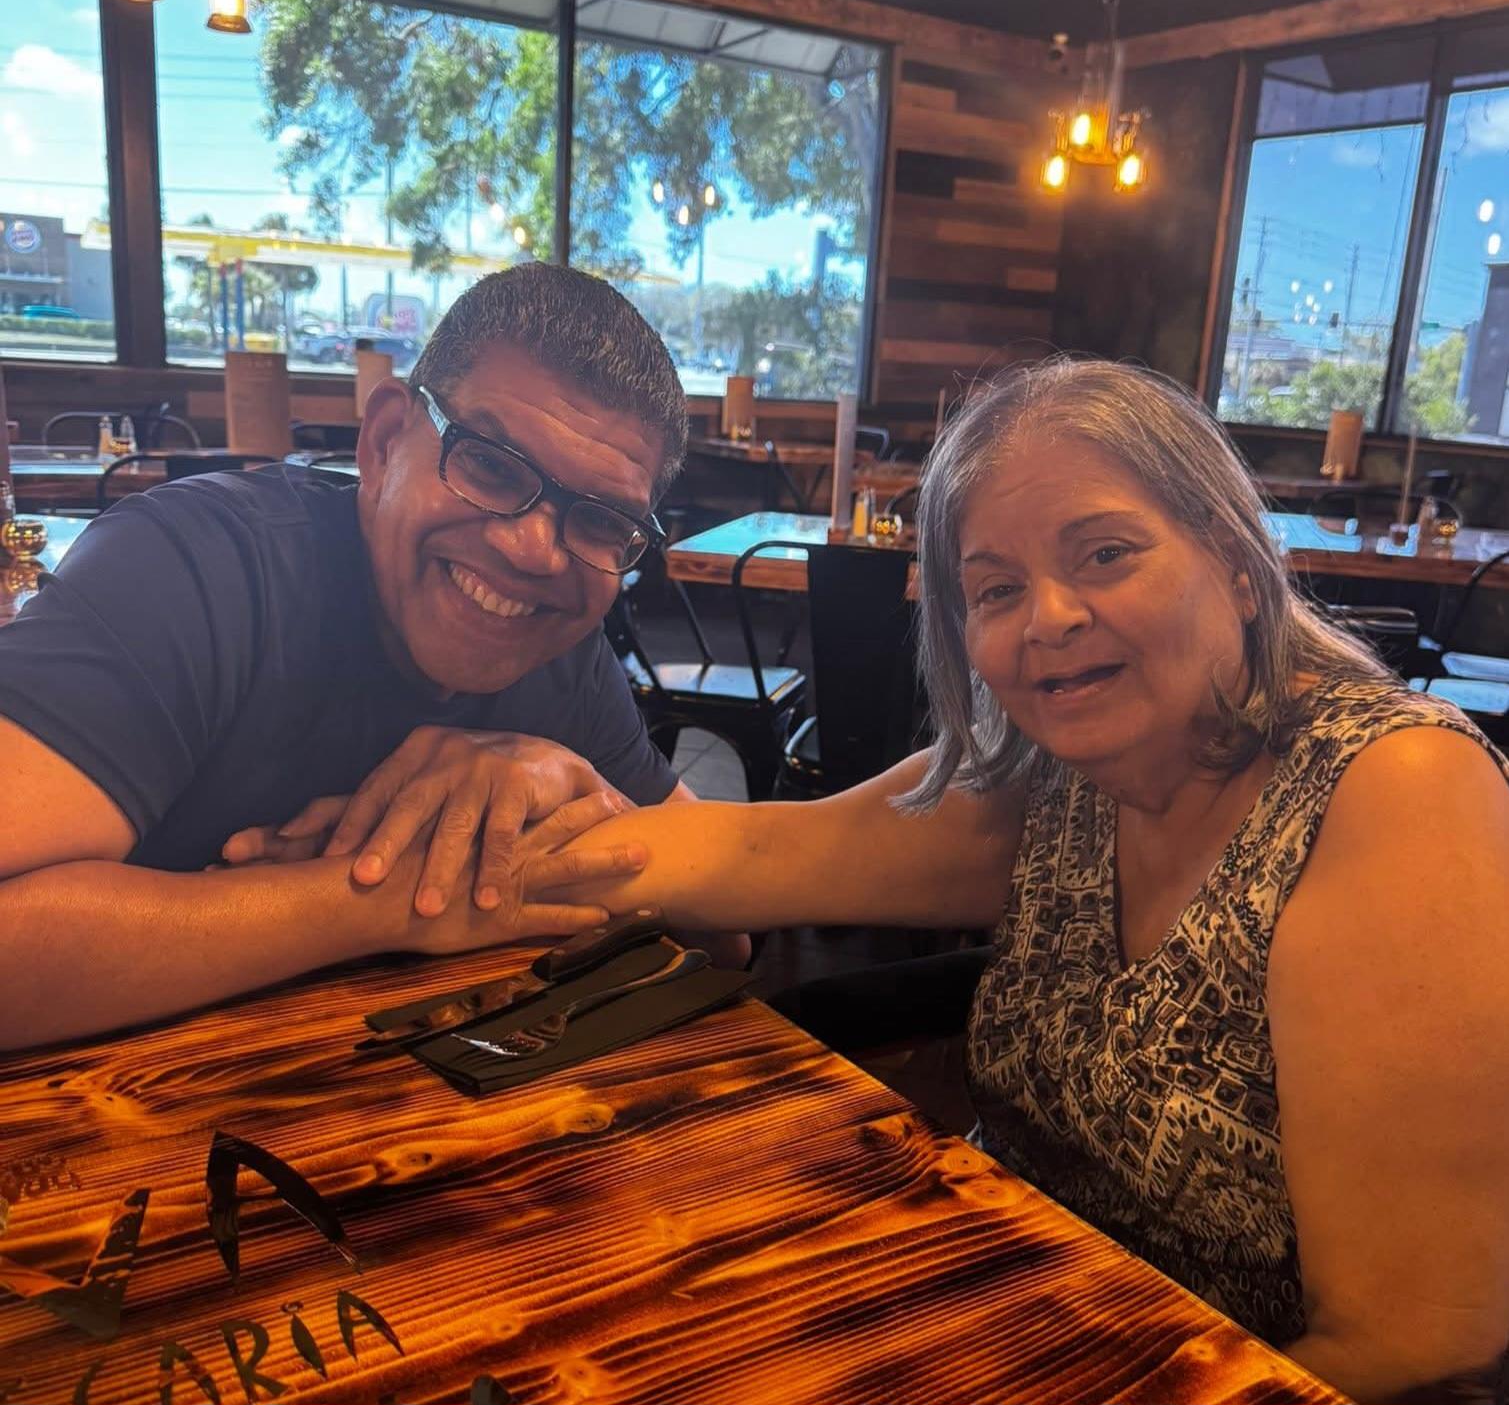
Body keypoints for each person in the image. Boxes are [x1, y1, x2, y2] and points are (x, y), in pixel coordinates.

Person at [551, 359, 1509, 1404]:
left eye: (1105, 553)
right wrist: (523, 809)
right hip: (991, 1311)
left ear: (1237, 561)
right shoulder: (1045, 766)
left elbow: (1417, 1347)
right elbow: (752, 854)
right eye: (997, 588)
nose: (1049, 615)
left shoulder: (1393, 789)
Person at [0, 264, 703, 1051]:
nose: (535, 550)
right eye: (491, 466)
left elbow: (721, 928)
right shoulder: (191, 567)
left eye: (601, 520)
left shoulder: (558, 641)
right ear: (383, 441)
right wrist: (383, 898)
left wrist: (573, 786)